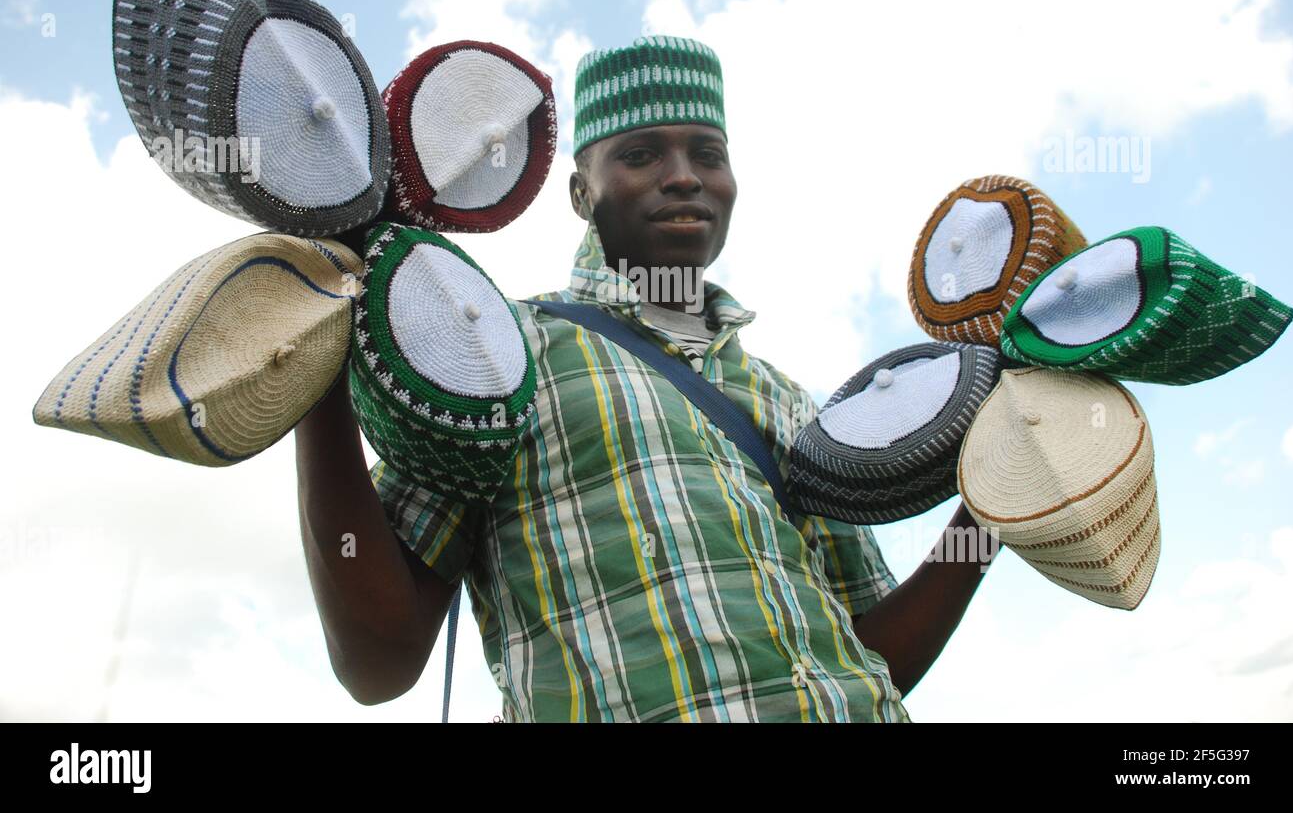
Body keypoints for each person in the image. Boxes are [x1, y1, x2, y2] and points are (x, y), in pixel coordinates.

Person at [295, 35, 995, 722]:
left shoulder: (784, 399)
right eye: (640, 155)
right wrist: (309, 358)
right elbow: (378, 662)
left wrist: (993, 505)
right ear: (579, 192)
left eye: (708, 155)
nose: (685, 175)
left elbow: (870, 654)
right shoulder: (496, 352)